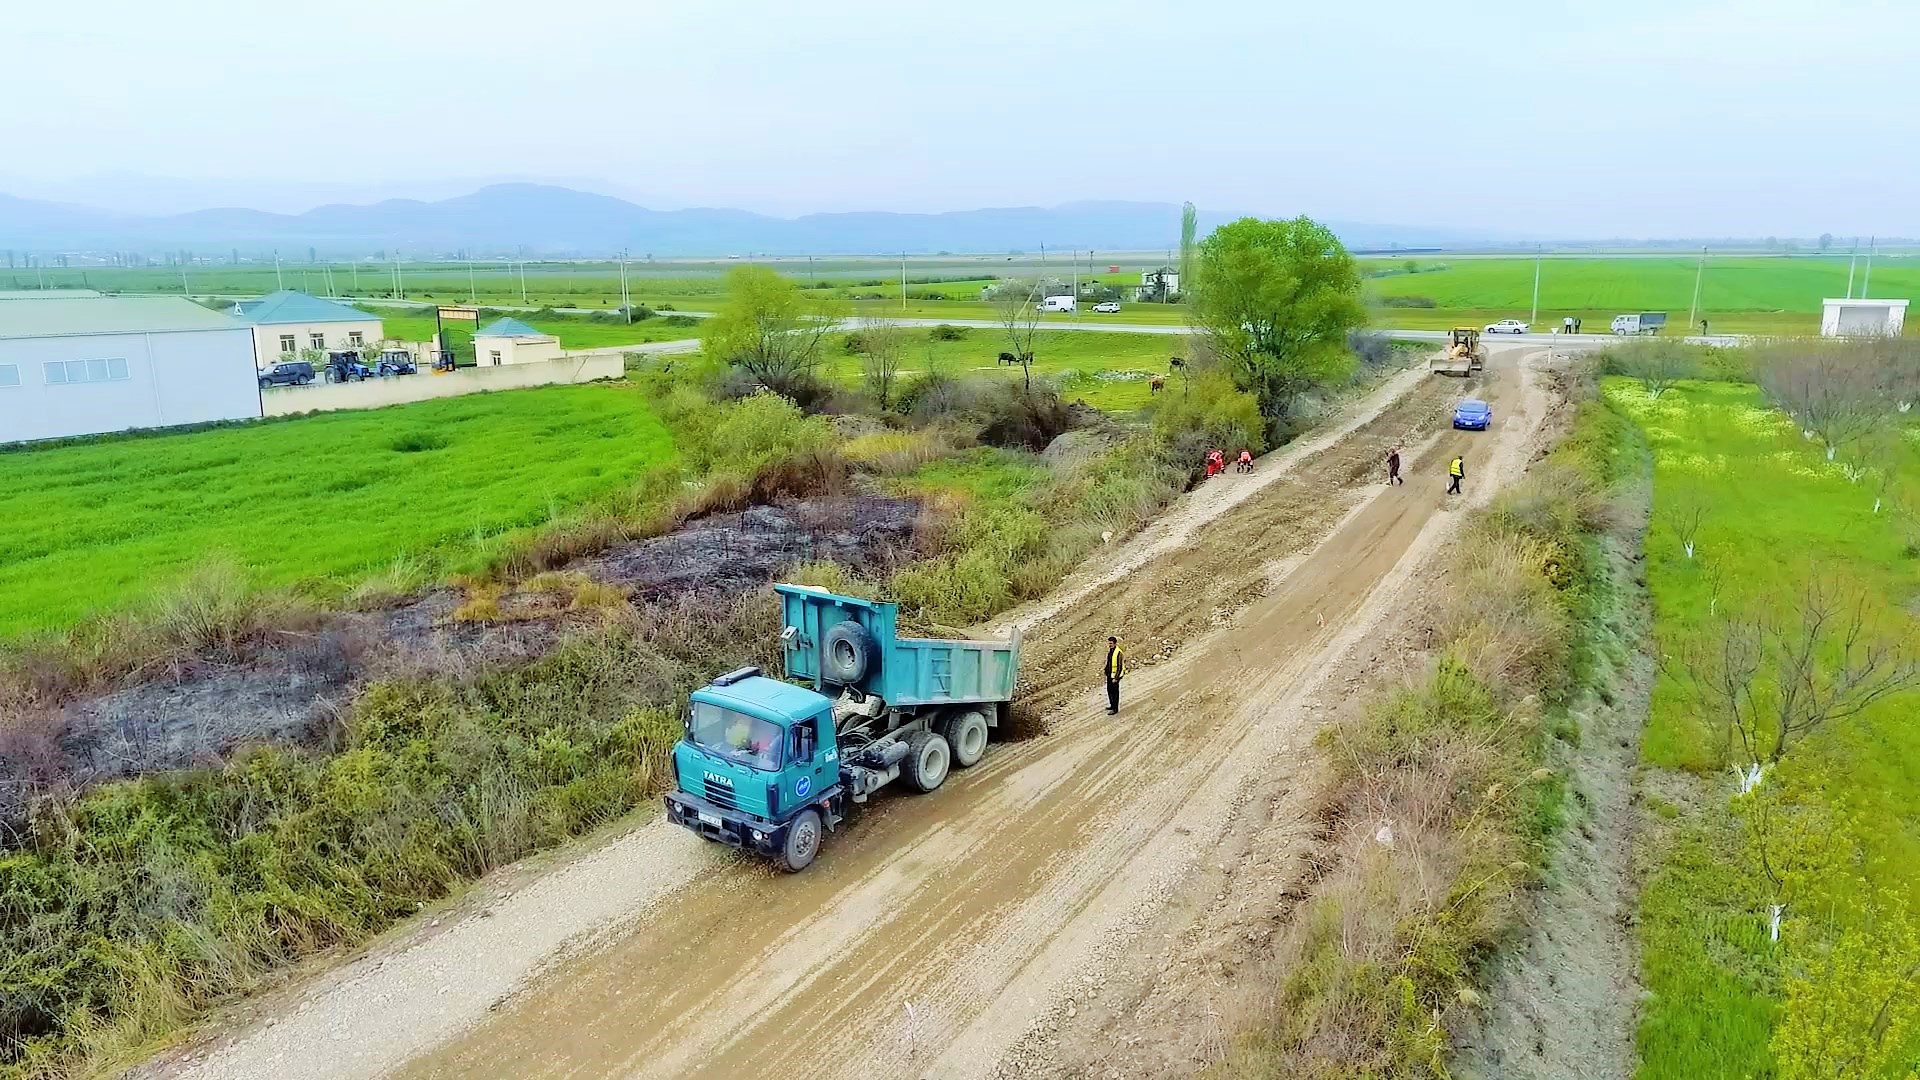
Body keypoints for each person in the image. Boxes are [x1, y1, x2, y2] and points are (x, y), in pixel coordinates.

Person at [1104, 636, 1125, 715]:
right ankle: (1112, 705)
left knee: (1115, 692)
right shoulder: (1111, 651)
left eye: (1111, 643)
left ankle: (1115, 708)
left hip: (1115, 675)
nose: (1110, 645)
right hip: (1110, 674)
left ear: (1115, 643)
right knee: (1109, 690)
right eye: (1109, 643)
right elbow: (1109, 662)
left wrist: (1116, 678)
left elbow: (1119, 666)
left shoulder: (1118, 652)